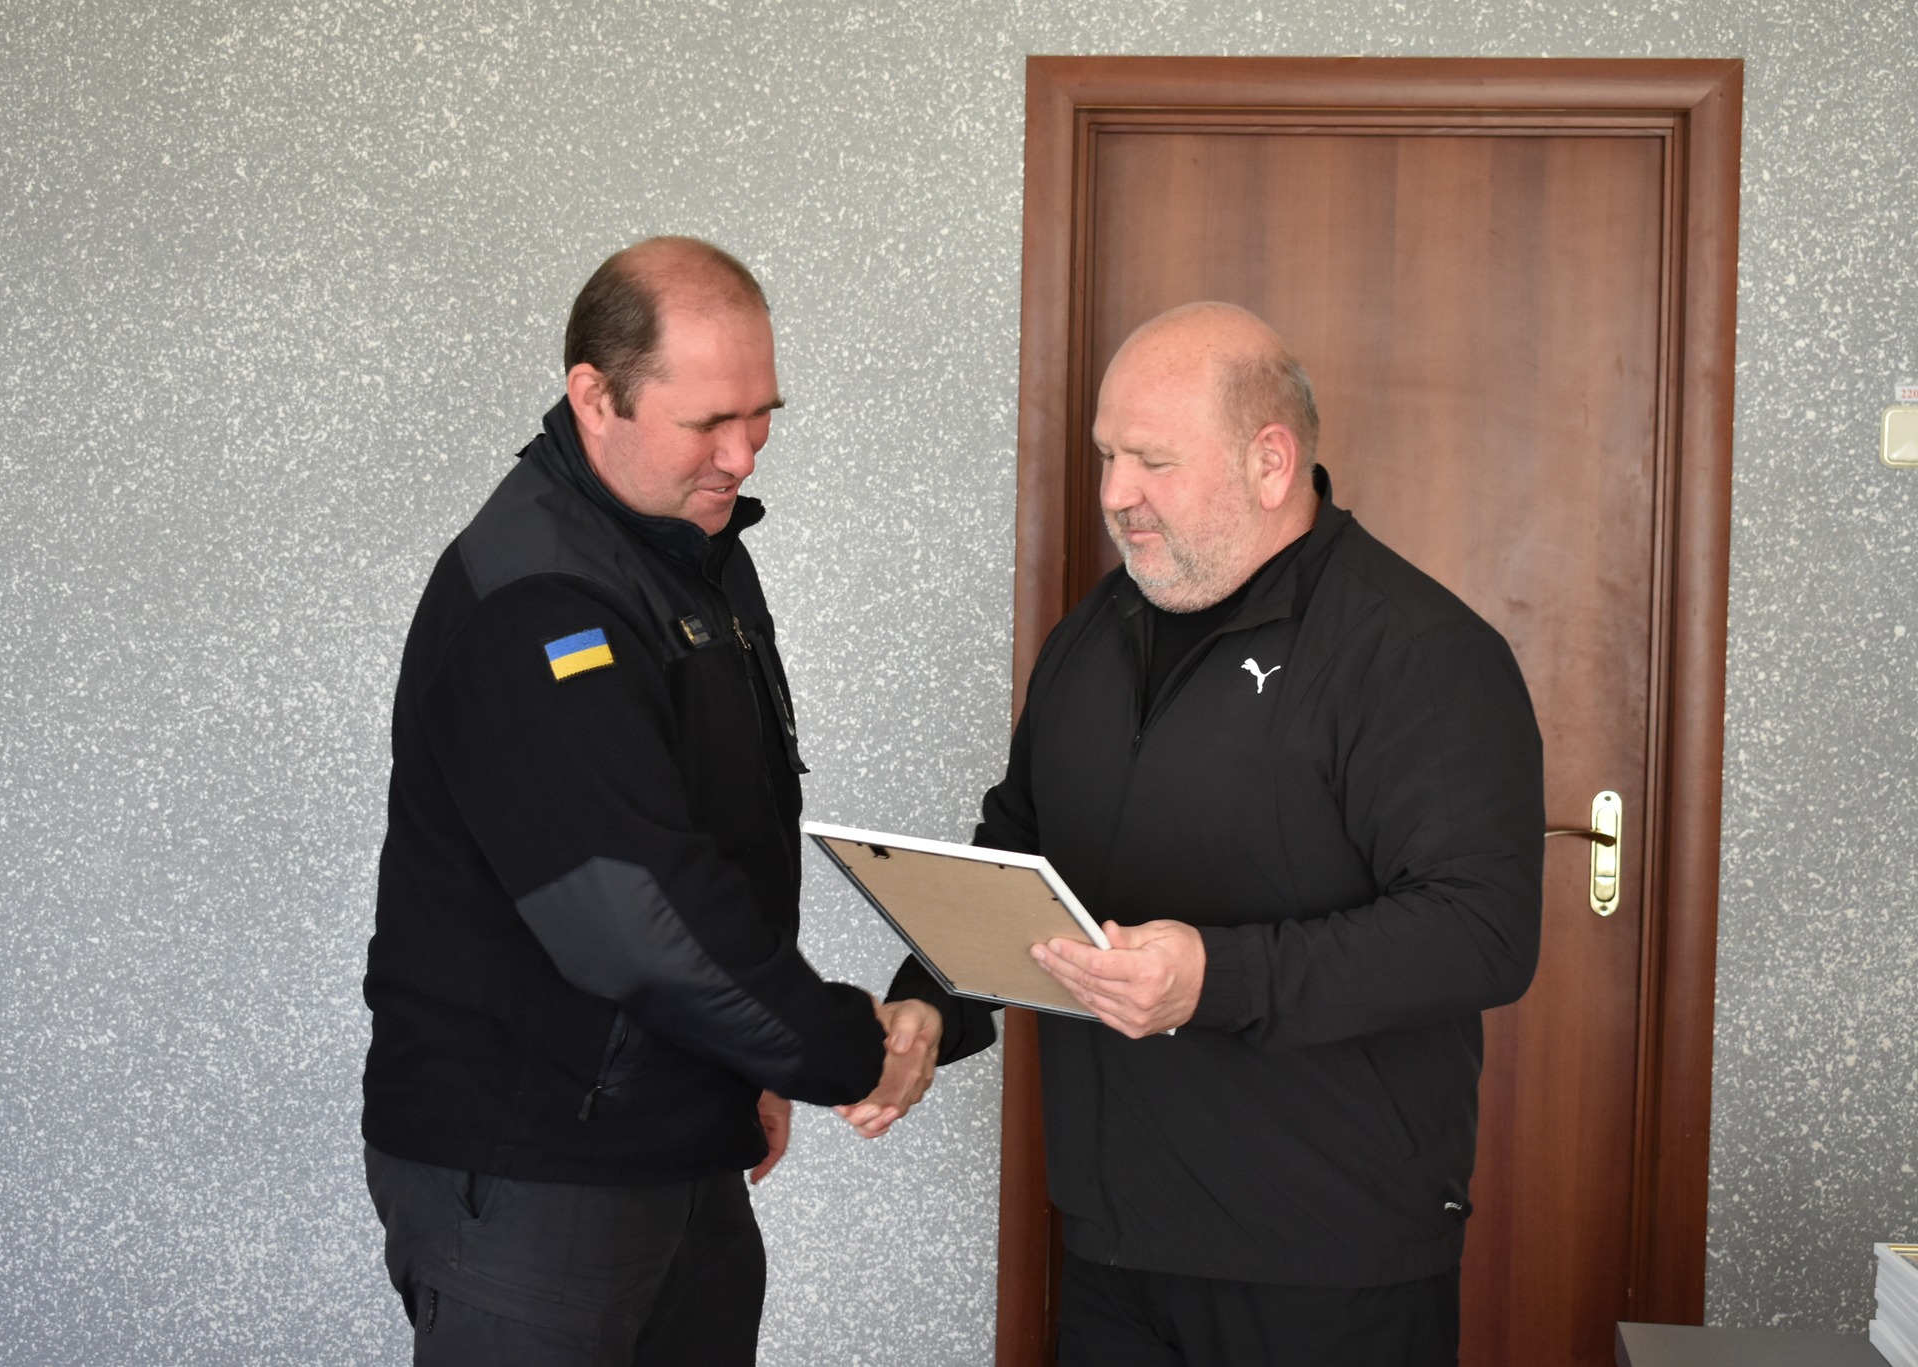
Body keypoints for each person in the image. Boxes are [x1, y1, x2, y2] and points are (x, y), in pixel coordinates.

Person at [892, 302, 1545, 1365]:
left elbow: (1481, 931)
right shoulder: (1089, 635)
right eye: (1106, 455)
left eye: (1151, 461)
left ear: (1269, 462)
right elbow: (1020, 846)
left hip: (1328, 1261)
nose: (1114, 493)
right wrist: (929, 1002)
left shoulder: (1414, 652)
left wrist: (1214, 977)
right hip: (1114, 1245)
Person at [360, 236, 938, 1366]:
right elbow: (633, 912)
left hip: (673, 1134)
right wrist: (826, 1047)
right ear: (595, 396)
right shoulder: (538, 597)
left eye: (761, 415)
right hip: (531, 1170)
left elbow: (716, 837)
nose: (743, 454)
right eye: (708, 421)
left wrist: (747, 1061)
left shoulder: (689, 553)